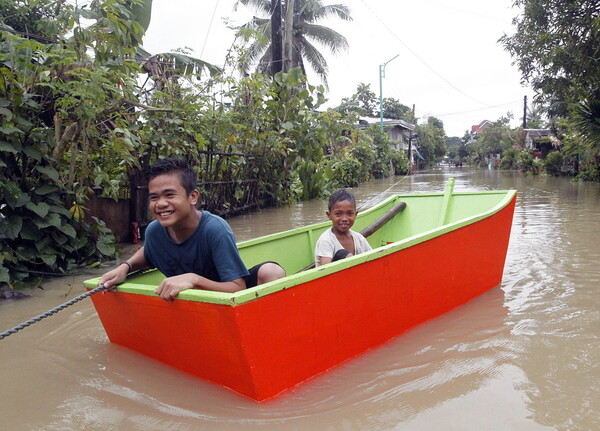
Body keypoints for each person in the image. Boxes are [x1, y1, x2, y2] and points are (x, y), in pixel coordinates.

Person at [99, 158, 285, 302]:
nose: (161, 204)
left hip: (224, 292)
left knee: (271, 272)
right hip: (195, 303)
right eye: (154, 198)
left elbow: (238, 289)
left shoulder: (215, 229)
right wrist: (126, 267)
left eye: (170, 195)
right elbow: (148, 254)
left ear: (193, 197)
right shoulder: (154, 231)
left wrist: (194, 280)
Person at [314, 189, 372, 267]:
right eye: (338, 214)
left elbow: (372, 257)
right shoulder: (326, 240)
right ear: (329, 215)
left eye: (350, 214)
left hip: (355, 276)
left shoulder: (358, 238)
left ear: (356, 214)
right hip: (333, 277)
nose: (344, 219)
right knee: (343, 254)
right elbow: (325, 270)